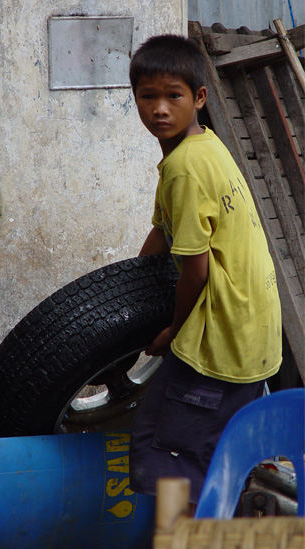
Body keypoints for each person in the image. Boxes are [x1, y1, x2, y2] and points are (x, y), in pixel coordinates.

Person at [126, 35, 282, 503]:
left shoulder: (185, 169)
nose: (159, 109)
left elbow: (194, 273)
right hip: (251, 334)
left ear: (199, 97)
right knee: (214, 453)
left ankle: (190, 534)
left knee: (168, 461)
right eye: (147, 97)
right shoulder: (202, 146)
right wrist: (121, 305)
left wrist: (172, 330)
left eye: (173, 96)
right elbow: (162, 236)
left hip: (219, 342)